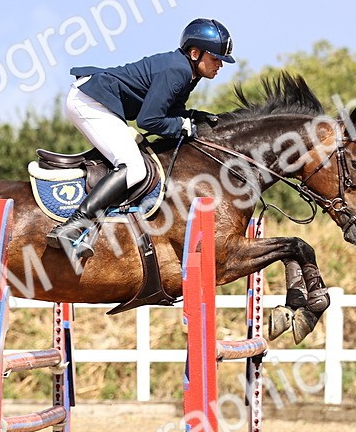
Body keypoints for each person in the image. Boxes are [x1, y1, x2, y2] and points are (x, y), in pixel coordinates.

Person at [45, 18, 235, 258]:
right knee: (134, 168)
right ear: (195, 53)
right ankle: (73, 226)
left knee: (136, 158)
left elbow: (169, 112)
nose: (220, 64)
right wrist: (181, 125)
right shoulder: (178, 70)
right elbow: (149, 121)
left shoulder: (188, 72)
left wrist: (193, 117)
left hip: (99, 102)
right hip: (89, 102)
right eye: (215, 58)